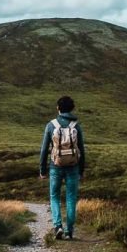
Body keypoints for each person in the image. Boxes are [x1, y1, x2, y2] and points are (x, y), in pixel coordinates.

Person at [39, 95, 86, 240]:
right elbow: (82, 149)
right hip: (73, 166)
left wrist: (42, 170)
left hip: (56, 165)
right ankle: (69, 231)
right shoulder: (76, 126)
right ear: (72, 108)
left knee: (54, 197)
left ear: (58, 108)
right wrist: (81, 170)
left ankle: (58, 226)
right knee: (71, 198)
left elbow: (44, 149)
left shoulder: (51, 125)